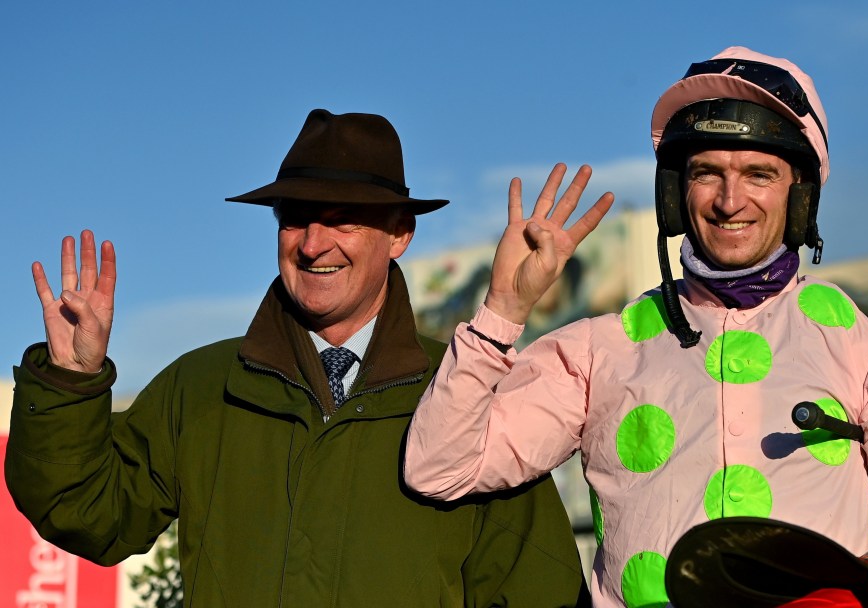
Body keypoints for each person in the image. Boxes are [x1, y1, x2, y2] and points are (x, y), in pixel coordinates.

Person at [403, 47, 868, 608]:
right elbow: (440, 469)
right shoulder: (599, 350)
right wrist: (503, 308)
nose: (728, 200)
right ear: (675, 195)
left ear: (800, 194)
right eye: (706, 174)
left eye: (759, 174)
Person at [4, 109, 591, 607]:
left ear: (400, 234)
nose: (313, 244)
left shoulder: (472, 393)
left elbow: (539, 587)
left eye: (342, 218)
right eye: (296, 217)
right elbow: (85, 512)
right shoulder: (202, 387)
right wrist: (70, 382)